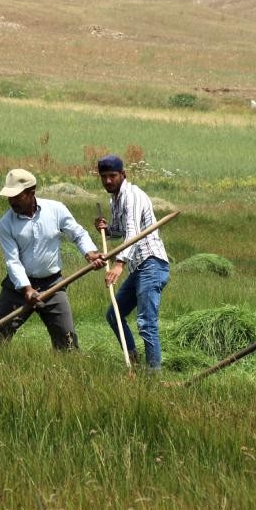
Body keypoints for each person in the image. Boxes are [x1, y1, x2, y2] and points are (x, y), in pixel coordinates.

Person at [0, 168, 105, 349]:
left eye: (16, 196)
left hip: (53, 286)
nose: (11, 201)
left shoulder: (56, 210)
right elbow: (12, 261)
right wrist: (27, 289)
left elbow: (78, 234)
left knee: (67, 342)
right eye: (9, 196)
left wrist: (90, 253)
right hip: (17, 289)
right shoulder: (6, 223)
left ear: (31, 193)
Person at [94, 154, 170, 371]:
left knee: (146, 323)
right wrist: (105, 229)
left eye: (112, 176)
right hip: (138, 267)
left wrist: (119, 264)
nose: (108, 181)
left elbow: (135, 233)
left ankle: (153, 375)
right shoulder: (114, 199)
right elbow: (121, 231)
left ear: (123, 175)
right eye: (104, 177)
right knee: (113, 314)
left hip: (152, 263)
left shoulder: (132, 196)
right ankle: (135, 363)